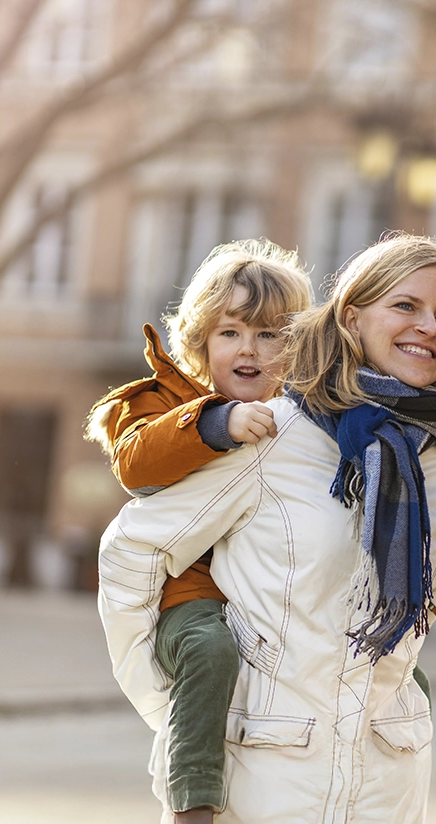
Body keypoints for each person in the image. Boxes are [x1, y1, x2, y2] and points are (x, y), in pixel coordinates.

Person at [98, 234, 436, 824]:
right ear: (351, 317)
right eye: (406, 306)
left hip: (384, 789)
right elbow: (129, 553)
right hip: (263, 781)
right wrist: (170, 708)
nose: (428, 326)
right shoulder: (275, 433)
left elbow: (423, 608)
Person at [86, 239, 312, 823]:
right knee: (210, 651)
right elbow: (136, 460)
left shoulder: (301, 419)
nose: (249, 350)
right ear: (201, 339)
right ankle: (194, 797)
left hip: (269, 595)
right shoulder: (164, 399)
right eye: (231, 333)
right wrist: (216, 422)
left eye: (269, 336)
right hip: (192, 596)